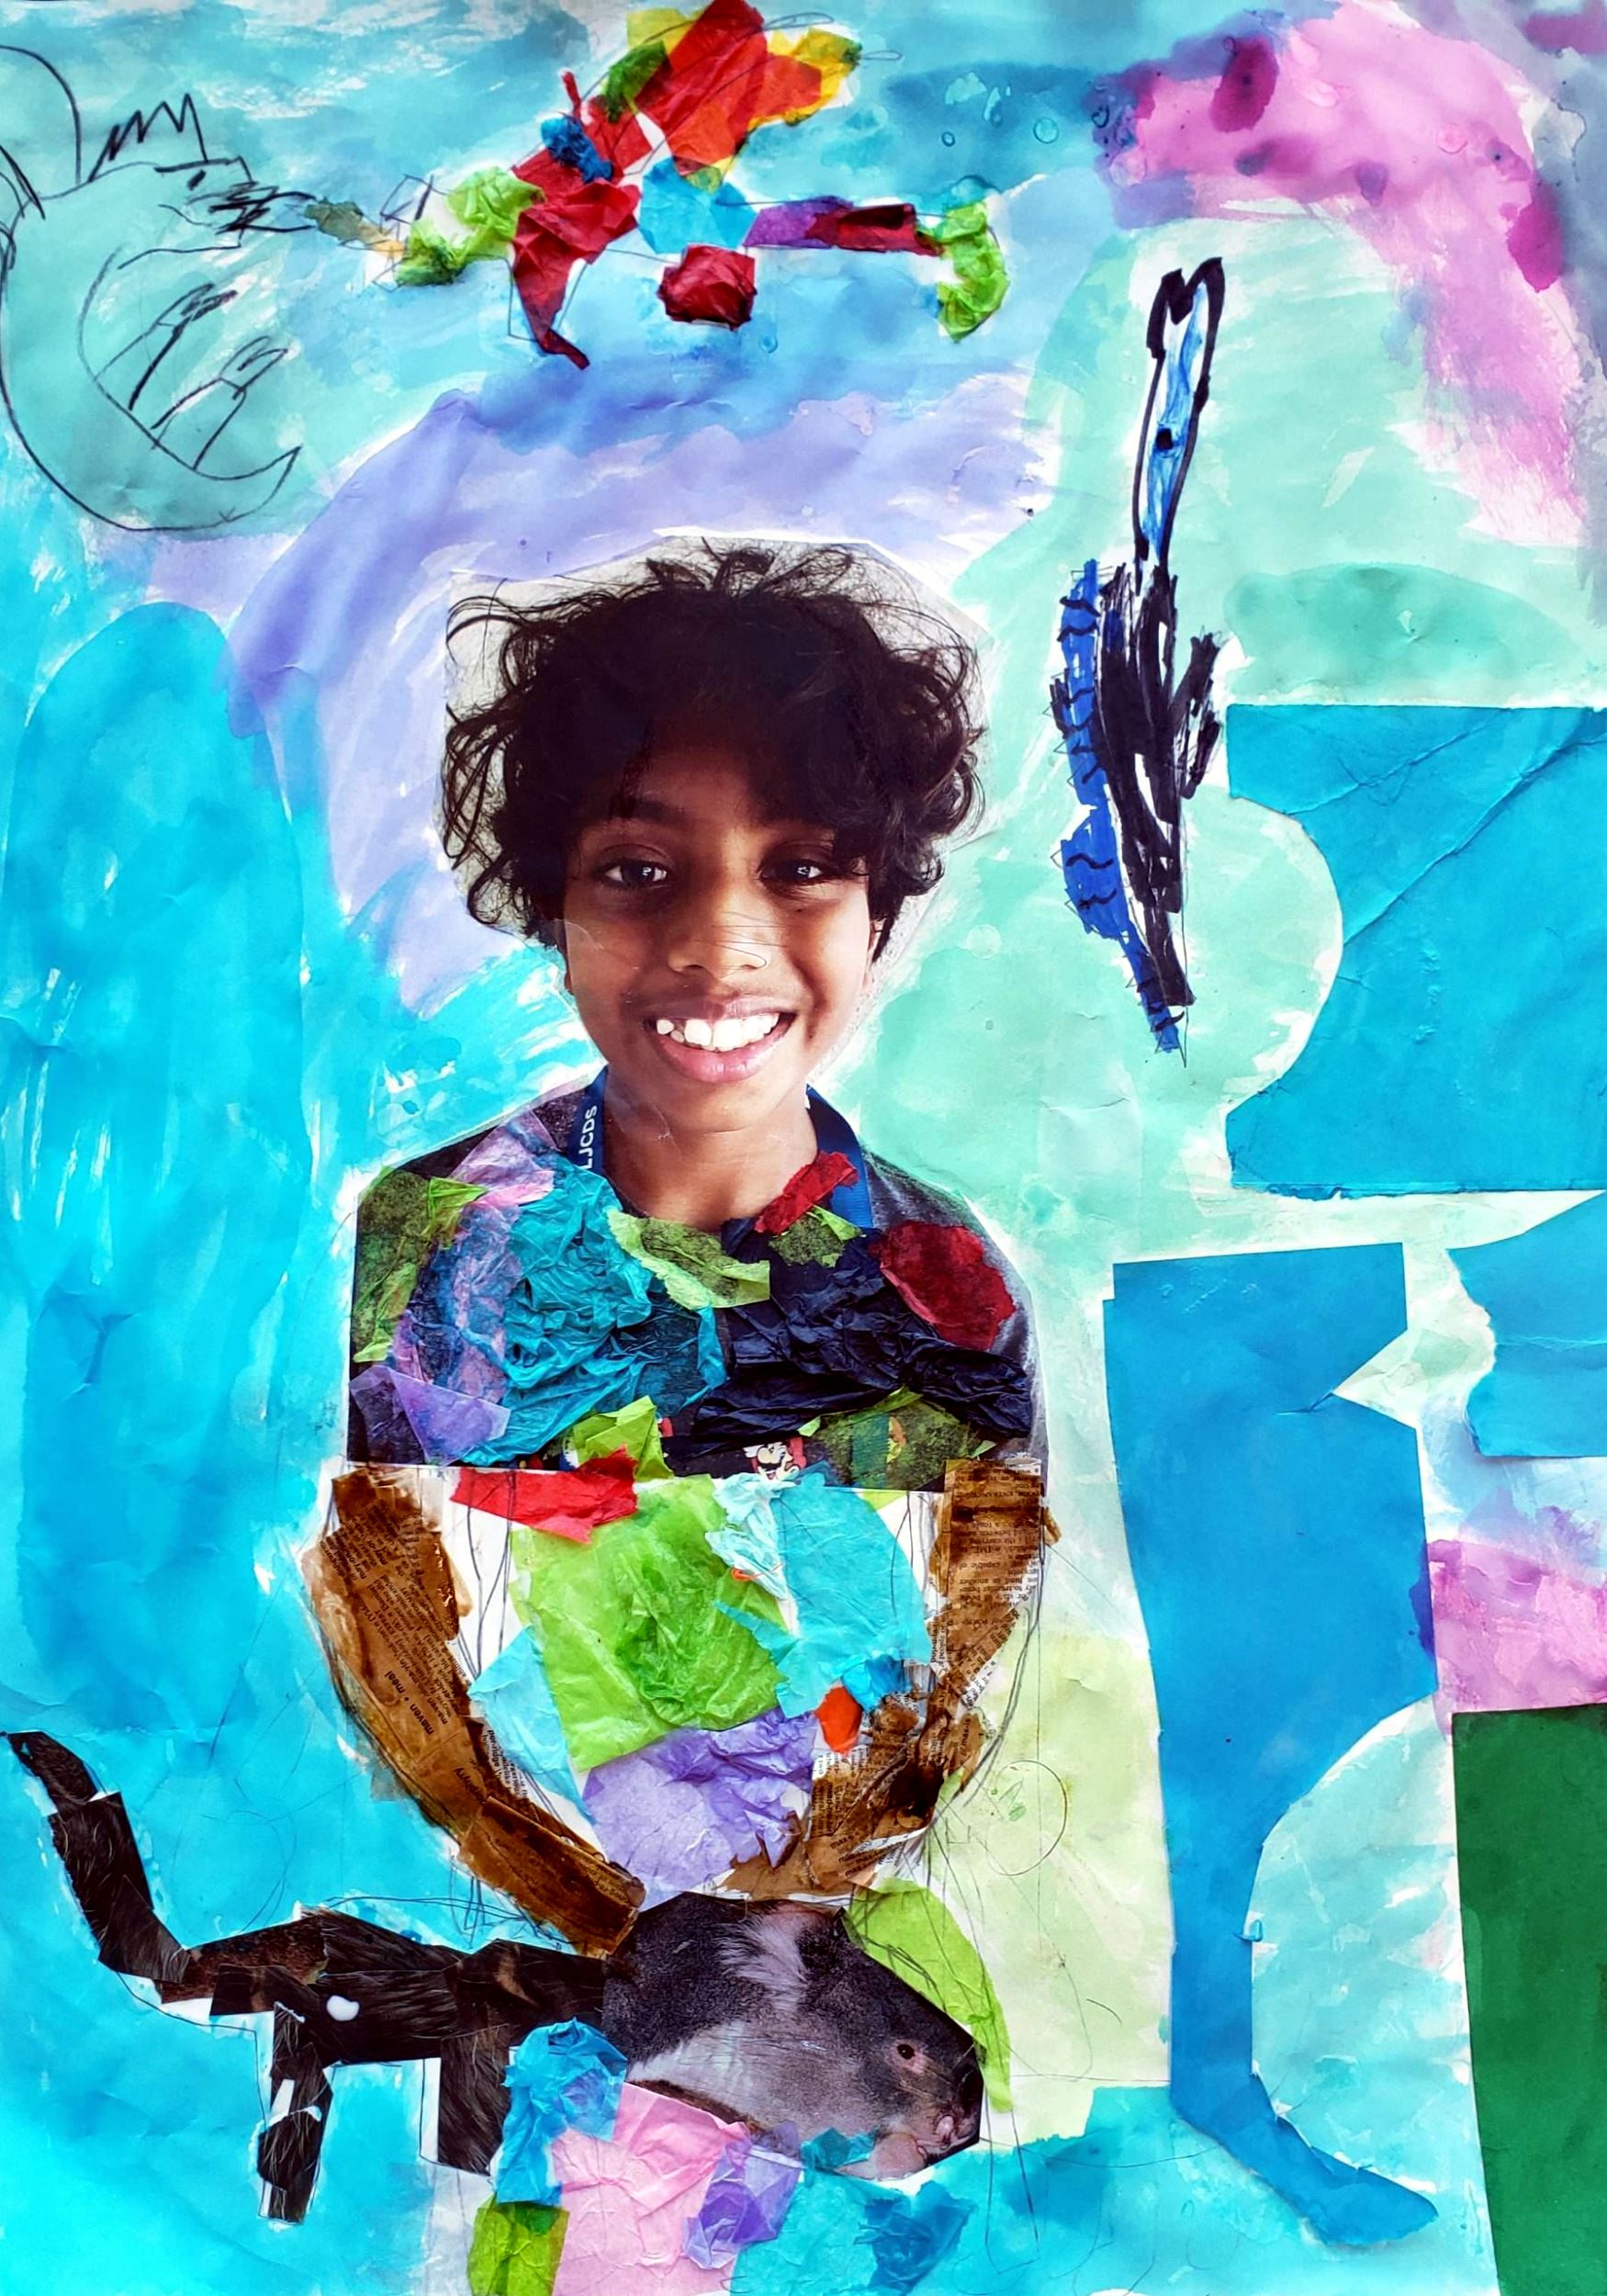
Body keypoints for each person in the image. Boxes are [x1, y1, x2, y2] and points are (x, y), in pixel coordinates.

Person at [346, 539, 1043, 1489]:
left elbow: (981, 1585)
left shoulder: (957, 1295)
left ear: (875, 918)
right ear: (555, 913)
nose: (719, 947)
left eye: (800, 867)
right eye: (638, 871)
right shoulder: (416, 1245)